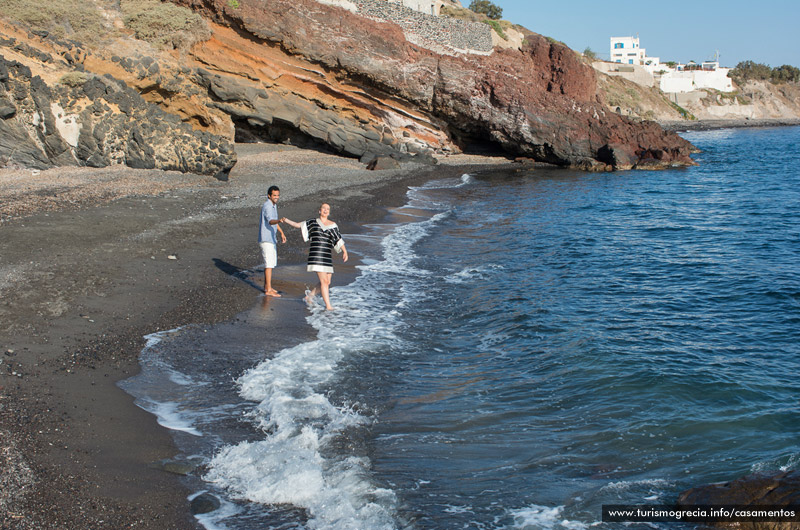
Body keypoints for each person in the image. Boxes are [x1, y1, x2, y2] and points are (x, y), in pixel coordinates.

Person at [282, 203, 348, 310]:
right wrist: (286, 220)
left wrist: (345, 252)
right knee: (324, 282)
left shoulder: (333, 225)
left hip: (327, 256)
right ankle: (328, 306)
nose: (325, 210)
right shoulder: (312, 222)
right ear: (319, 210)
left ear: (329, 212)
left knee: (327, 281)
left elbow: (338, 240)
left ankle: (310, 296)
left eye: (328, 209)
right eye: (323, 208)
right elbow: (298, 225)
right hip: (316, 255)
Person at [258, 185, 286, 297]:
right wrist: (279, 220)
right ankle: (268, 290)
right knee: (269, 264)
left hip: (271, 238)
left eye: (278, 195)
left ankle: (268, 287)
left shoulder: (274, 206)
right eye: (274, 195)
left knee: (271, 263)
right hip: (266, 239)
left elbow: (275, 222)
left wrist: (281, 232)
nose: (276, 197)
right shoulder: (267, 206)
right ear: (269, 195)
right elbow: (271, 221)